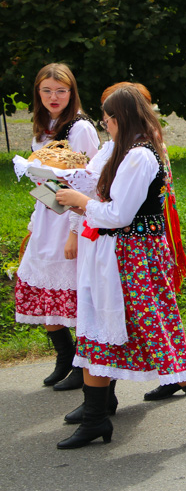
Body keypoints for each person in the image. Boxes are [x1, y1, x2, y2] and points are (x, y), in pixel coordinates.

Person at [54, 87, 186, 448]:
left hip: (134, 256)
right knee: (98, 329)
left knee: (156, 330)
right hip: (115, 252)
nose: (104, 123)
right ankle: (95, 419)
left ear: (121, 118)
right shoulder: (125, 151)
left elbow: (120, 214)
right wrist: (77, 201)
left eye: (108, 117)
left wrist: (82, 202)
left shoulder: (139, 156)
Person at [13, 63, 99, 391]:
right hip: (48, 213)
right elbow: (41, 177)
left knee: (74, 293)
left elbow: (91, 185)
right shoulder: (42, 126)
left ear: (71, 92)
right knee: (43, 286)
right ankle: (64, 356)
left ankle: (83, 365)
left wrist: (76, 230)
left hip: (72, 219)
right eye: (47, 90)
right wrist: (36, 223)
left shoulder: (80, 129)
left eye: (61, 90)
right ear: (38, 92)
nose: (54, 97)